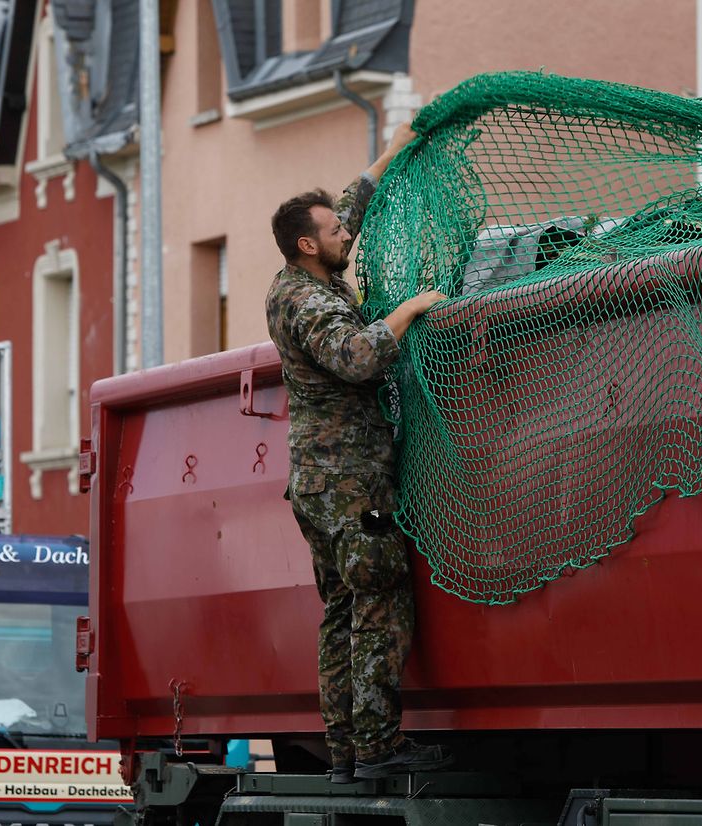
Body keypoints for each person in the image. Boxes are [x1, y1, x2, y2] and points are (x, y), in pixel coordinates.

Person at [265, 122, 449, 783]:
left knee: (341, 610)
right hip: (348, 489)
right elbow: (358, 358)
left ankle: (344, 757)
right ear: (308, 246)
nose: (347, 235)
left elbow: (350, 206)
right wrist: (413, 308)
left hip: (320, 486)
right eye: (335, 234)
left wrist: (396, 147)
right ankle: (376, 749)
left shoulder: (307, 269)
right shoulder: (309, 303)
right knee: (376, 606)